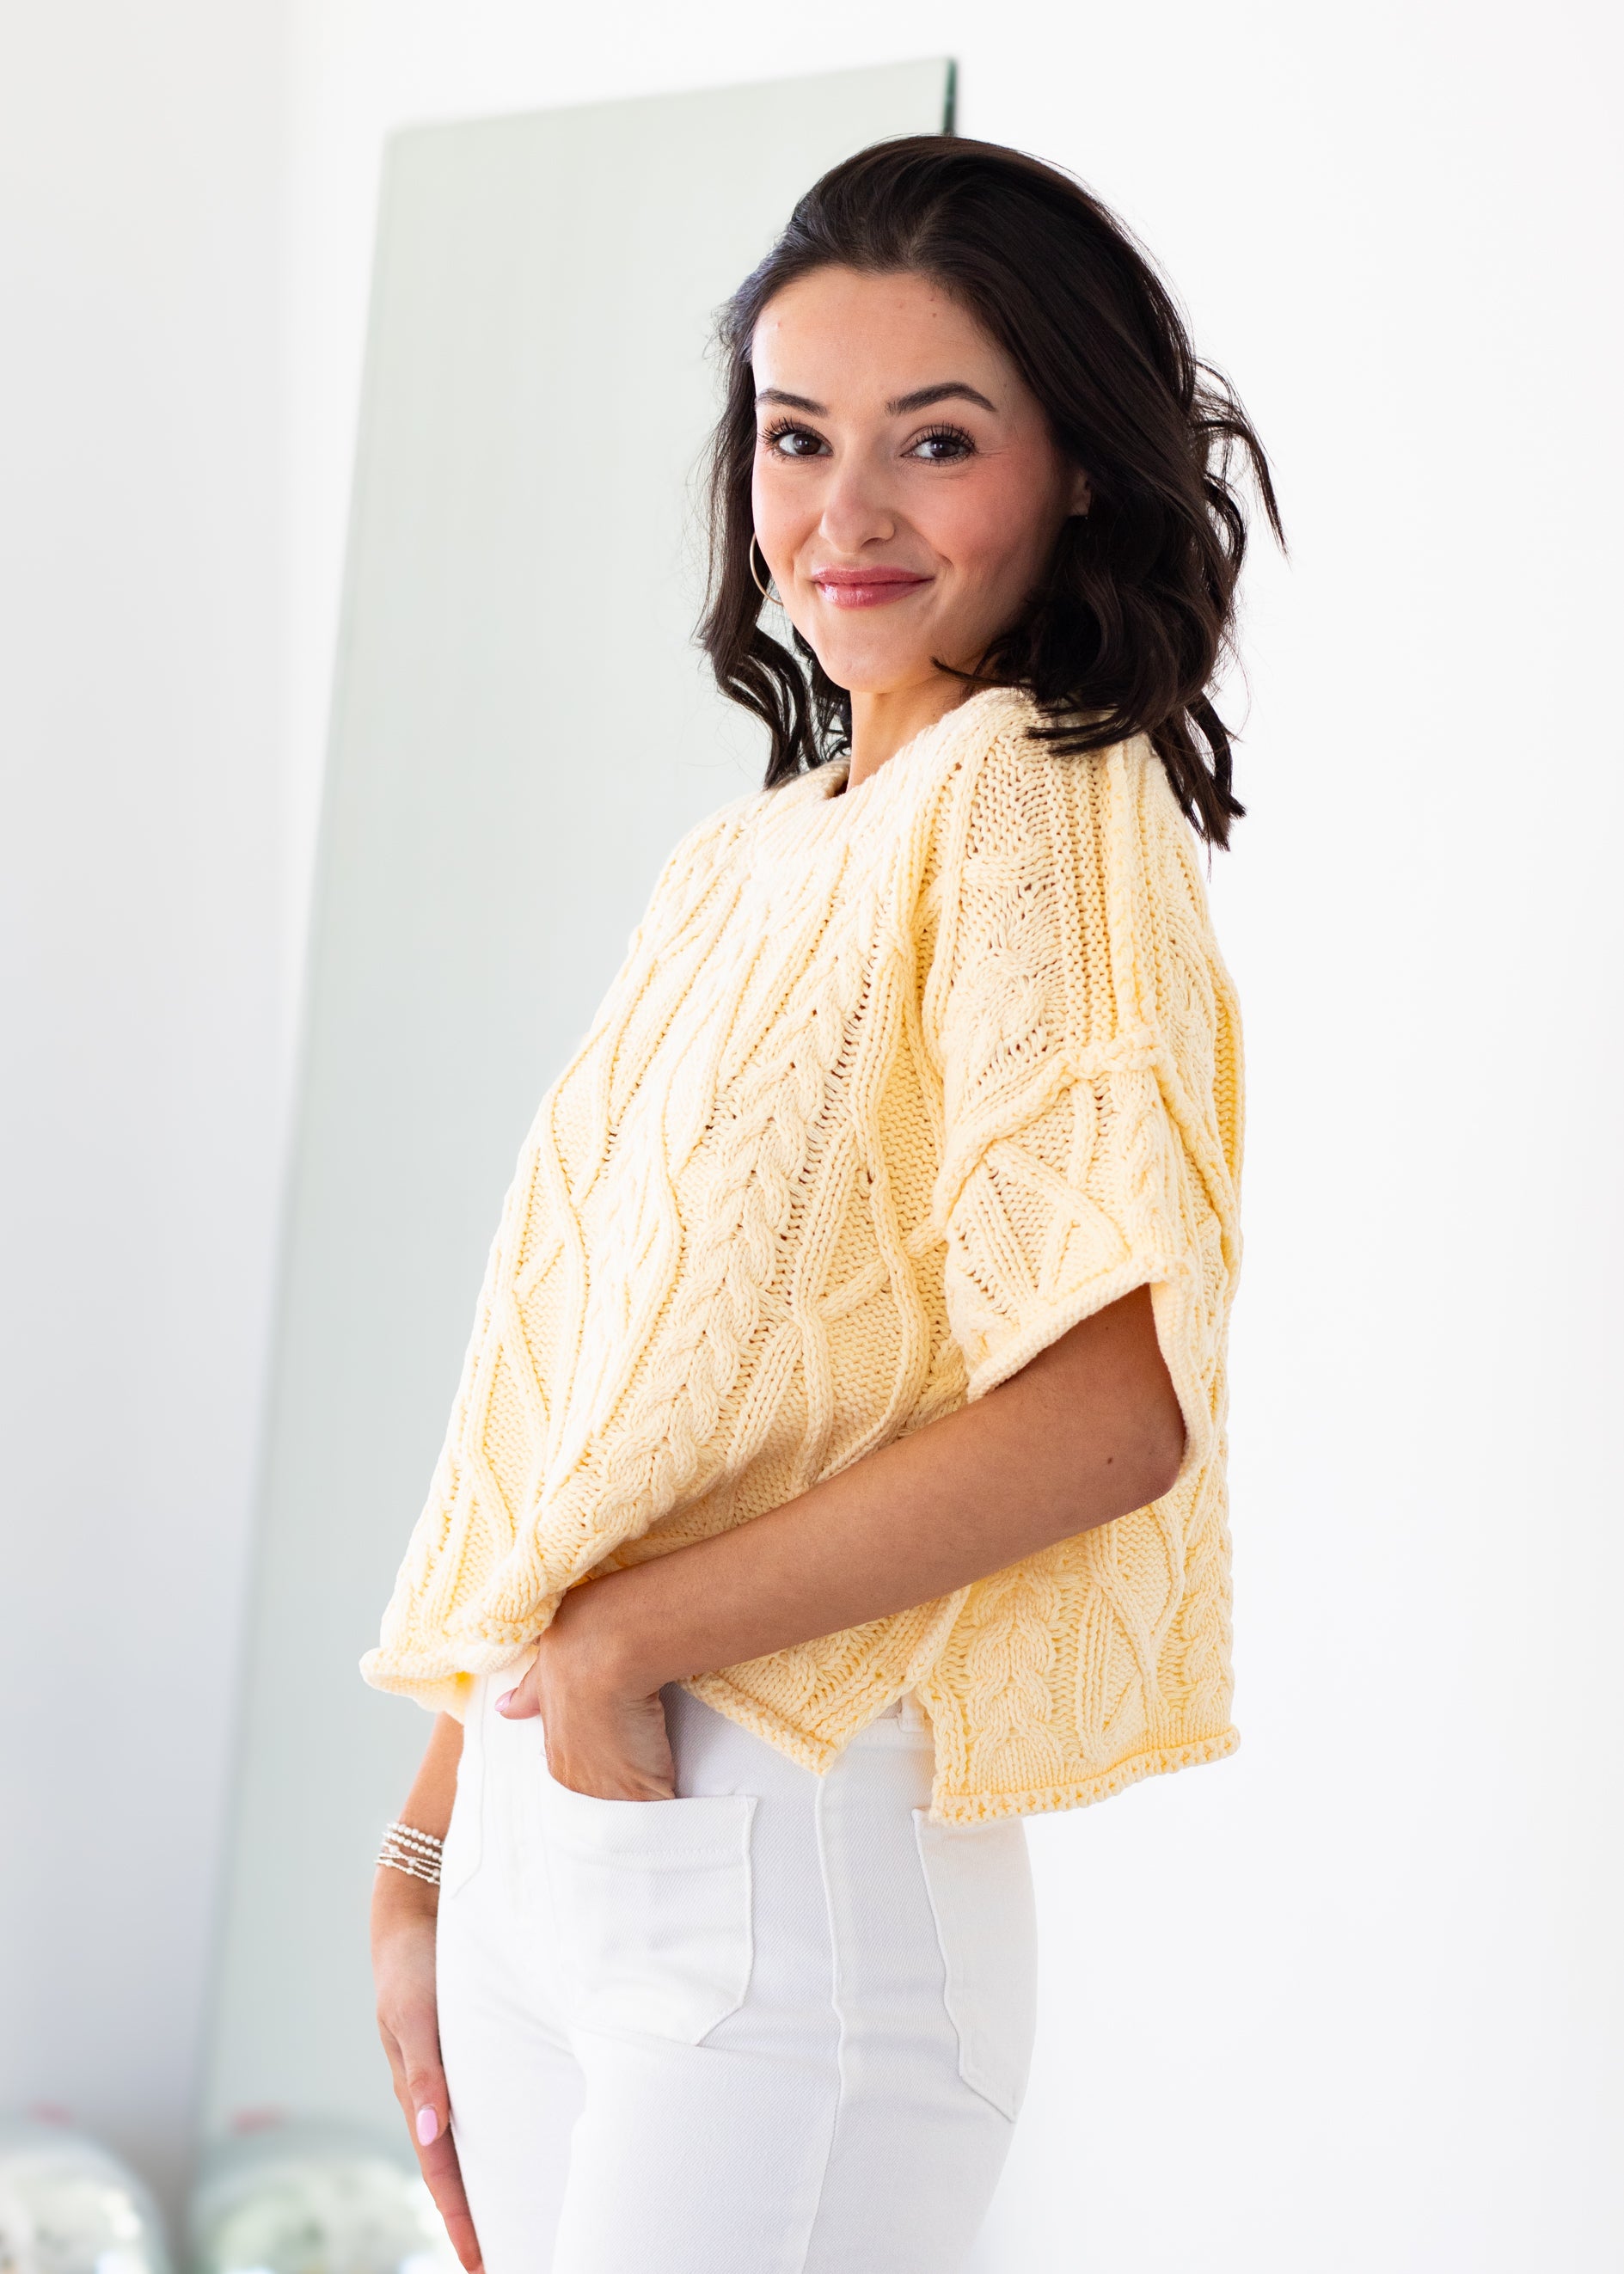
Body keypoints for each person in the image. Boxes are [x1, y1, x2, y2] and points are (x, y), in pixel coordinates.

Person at [364, 134, 1279, 2274]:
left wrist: (621, 1652)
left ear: (1070, 469)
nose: (843, 516)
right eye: (798, 437)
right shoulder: (747, 858)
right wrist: (430, 1844)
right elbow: (585, 1399)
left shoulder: (1046, 792)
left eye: (933, 441)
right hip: (542, 1838)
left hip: (778, 1866)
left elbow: (1113, 1404)